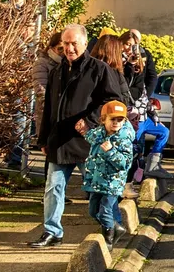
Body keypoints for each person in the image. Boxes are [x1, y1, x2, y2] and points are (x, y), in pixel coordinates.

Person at [30, 24, 125, 248]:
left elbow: (112, 100)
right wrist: (43, 139)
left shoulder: (99, 69)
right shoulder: (56, 71)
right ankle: (52, 231)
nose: (69, 48)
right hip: (60, 140)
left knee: (98, 188)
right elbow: (50, 109)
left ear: (84, 43)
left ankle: (111, 225)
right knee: (53, 187)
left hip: (88, 141)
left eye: (74, 43)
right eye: (66, 43)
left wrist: (91, 120)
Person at [83, 101, 135, 246]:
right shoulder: (99, 134)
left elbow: (125, 163)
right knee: (93, 211)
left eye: (120, 120)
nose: (116, 123)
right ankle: (116, 227)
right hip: (97, 179)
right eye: (113, 119)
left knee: (106, 209)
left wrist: (111, 151)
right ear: (103, 120)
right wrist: (83, 130)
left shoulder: (124, 139)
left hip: (113, 181)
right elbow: (90, 137)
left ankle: (108, 240)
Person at [120, 30, 170, 178]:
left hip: (143, 108)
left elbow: (150, 77)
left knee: (163, 132)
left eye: (134, 45)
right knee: (134, 146)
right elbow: (125, 82)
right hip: (130, 110)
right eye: (127, 44)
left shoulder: (143, 55)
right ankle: (133, 176)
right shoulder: (118, 60)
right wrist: (128, 65)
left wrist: (147, 96)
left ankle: (152, 164)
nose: (130, 48)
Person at [32, 32, 64, 133]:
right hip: (47, 115)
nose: (63, 52)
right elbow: (41, 90)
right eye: (60, 48)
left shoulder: (67, 64)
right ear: (51, 48)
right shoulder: (42, 63)